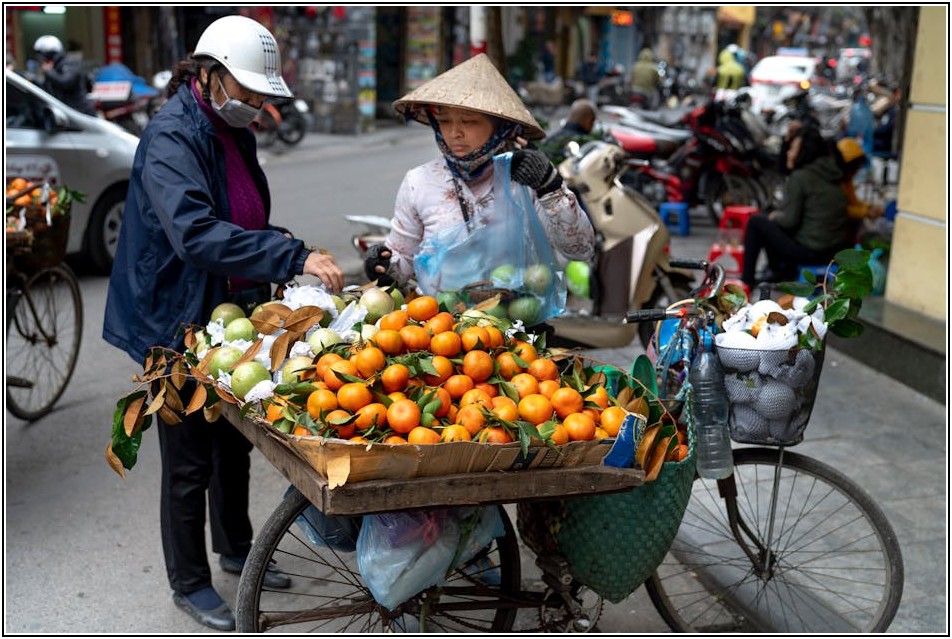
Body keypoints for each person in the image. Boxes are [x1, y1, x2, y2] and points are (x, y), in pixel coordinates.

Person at [102, 15, 344, 632]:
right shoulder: (170, 137)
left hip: (227, 311)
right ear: (206, 76)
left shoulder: (234, 130)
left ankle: (236, 549)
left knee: (233, 441)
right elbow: (195, 234)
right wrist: (290, 256)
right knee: (187, 458)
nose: (257, 104)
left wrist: (283, 250)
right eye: (248, 91)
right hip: (174, 316)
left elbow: (242, 216)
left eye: (263, 95)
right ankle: (188, 582)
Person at [364, 53, 594, 297]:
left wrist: (551, 188)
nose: (454, 133)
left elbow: (580, 250)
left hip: (517, 323)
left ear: (499, 126)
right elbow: (403, 265)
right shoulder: (419, 182)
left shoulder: (526, 182)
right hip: (441, 327)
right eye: (444, 121)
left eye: (469, 121)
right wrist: (384, 266)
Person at [741, 126, 849, 288]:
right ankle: (777, 271)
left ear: (804, 153)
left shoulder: (801, 178)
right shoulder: (832, 173)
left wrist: (774, 216)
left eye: (792, 149)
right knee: (771, 221)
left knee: (757, 222)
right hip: (833, 251)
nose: (788, 153)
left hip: (811, 252)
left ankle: (747, 281)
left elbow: (789, 220)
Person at [31, 34, 96, 115]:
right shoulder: (53, 68)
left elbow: (65, 82)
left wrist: (48, 72)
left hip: (79, 113)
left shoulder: (70, 64)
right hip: (64, 112)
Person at [538, 98, 599, 165]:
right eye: (592, 121)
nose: (592, 126)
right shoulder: (585, 142)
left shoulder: (550, 139)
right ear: (588, 119)